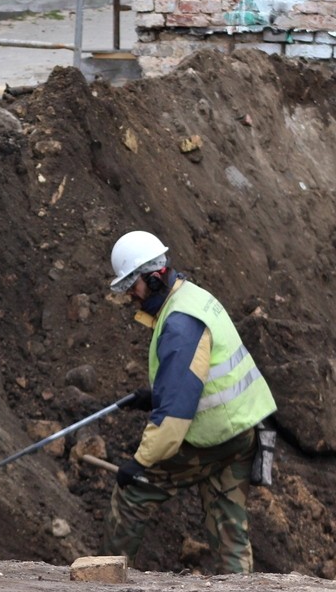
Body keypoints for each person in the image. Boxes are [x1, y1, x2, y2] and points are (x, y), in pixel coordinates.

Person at [103, 230, 278, 574]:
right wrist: (156, 396)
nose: (131, 297)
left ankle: (103, 580)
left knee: (133, 494)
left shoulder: (180, 325)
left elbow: (172, 423)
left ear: (153, 280)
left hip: (209, 438)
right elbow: (205, 375)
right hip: (242, 432)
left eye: (132, 287)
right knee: (228, 524)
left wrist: (139, 465)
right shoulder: (193, 297)